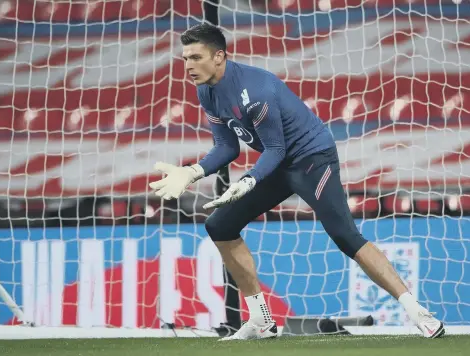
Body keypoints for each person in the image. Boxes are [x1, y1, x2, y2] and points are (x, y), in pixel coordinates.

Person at [148, 23, 445, 341]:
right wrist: (194, 172)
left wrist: (248, 181)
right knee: (220, 226)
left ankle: (418, 312)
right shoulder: (206, 90)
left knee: (344, 235)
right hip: (277, 164)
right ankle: (261, 320)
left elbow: (276, 148)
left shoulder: (255, 91)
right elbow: (227, 147)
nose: (188, 66)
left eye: (195, 57)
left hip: (311, 159)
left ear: (219, 56)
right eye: (185, 59)